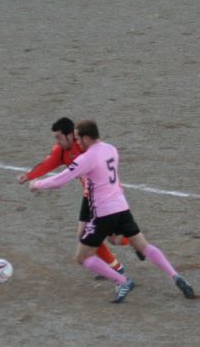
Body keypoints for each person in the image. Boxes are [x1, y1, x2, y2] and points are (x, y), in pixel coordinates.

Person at [29, 120, 196, 304]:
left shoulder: (86, 158)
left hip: (102, 213)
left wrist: (37, 184)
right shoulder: (111, 149)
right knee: (144, 246)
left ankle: (122, 280)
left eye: (79, 139)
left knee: (82, 257)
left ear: (86, 138)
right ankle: (175, 275)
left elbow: (59, 181)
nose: (78, 143)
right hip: (122, 208)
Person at [18, 117, 128, 275]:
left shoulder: (85, 147)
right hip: (89, 195)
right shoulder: (61, 151)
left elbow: (61, 180)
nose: (57, 142)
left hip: (104, 196)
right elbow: (49, 163)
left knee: (113, 237)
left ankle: (134, 240)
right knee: (84, 235)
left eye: (59, 138)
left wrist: (36, 184)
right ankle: (116, 267)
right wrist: (30, 176)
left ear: (70, 135)